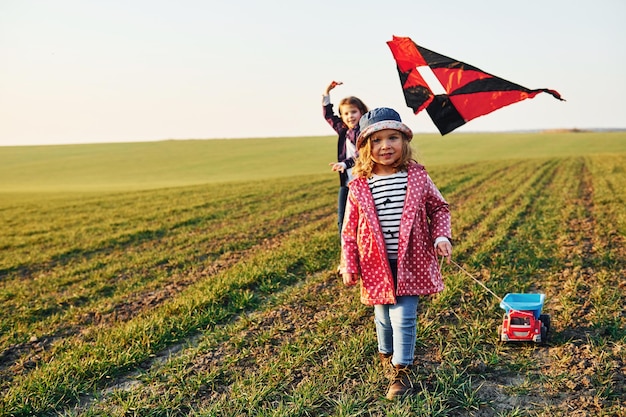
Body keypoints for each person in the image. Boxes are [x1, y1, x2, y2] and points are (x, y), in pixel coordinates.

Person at [340, 107, 452, 400]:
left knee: (404, 315)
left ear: (404, 141)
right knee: (382, 316)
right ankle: (385, 354)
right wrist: (349, 264)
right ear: (365, 147)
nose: (385, 146)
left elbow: (438, 207)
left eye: (393, 138)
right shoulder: (359, 185)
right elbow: (348, 229)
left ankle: (401, 371)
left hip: (411, 259)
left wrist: (441, 236)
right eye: (376, 140)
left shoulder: (416, 177)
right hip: (375, 262)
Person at [322, 81, 369, 235]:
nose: (350, 116)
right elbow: (328, 116)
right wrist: (326, 93)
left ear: (361, 112)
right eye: (346, 113)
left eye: (353, 112)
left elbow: (362, 154)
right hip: (347, 183)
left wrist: (345, 163)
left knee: (365, 218)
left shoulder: (364, 132)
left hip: (364, 182)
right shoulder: (343, 130)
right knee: (343, 219)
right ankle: (346, 252)